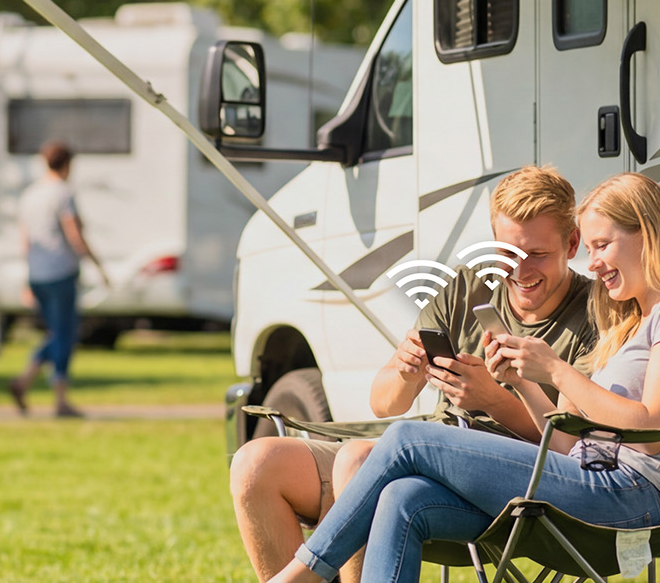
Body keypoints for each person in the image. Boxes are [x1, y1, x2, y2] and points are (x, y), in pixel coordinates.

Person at [266, 173, 660, 583]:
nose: (592, 264)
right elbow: (566, 442)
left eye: (602, 245)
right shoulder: (630, 323)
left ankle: (303, 573)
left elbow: (650, 434)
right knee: (402, 498)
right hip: (586, 478)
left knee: (408, 438)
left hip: (630, 497)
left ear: (647, 235)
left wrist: (555, 369)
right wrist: (526, 380)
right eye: (590, 249)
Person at [230, 165, 598, 583]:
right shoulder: (468, 287)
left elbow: (573, 448)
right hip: (417, 456)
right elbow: (385, 403)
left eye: (537, 254)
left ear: (572, 243)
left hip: (507, 487)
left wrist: (492, 400)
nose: (520, 271)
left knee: (357, 458)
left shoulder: (592, 315)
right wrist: (406, 371)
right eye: (507, 253)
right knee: (255, 463)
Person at [7, 140, 104, 418]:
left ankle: (25, 381)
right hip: (61, 272)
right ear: (67, 164)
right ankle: (60, 399)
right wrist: (97, 265)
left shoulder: (30, 194)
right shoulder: (63, 194)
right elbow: (74, 234)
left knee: (56, 334)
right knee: (65, 335)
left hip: (37, 274)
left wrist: (27, 278)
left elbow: (26, 240)